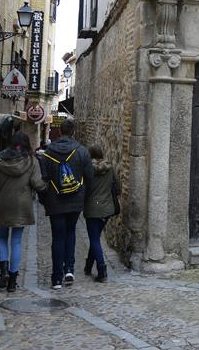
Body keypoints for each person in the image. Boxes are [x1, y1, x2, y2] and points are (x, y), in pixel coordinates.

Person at [0, 130, 45, 293]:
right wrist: (49, 188)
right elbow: (37, 184)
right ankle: (12, 281)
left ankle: (3, 272)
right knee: (16, 241)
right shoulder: (32, 161)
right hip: (22, 206)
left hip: (2, 204)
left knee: (2, 238)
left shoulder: (0, 161)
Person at [37, 118, 93, 289]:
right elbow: (89, 178)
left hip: (55, 201)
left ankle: (56, 278)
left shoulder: (47, 154)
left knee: (57, 237)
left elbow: (44, 180)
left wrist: (44, 200)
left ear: (59, 131)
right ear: (73, 132)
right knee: (71, 233)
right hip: (75, 200)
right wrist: (84, 197)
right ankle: (69, 269)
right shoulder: (82, 152)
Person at [83, 144, 120, 282]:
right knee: (96, 238)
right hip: (107, 209)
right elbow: (118, 187)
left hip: (93, 208)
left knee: (94, 239)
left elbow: (84, 189)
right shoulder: (110, 168)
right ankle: (88, 266)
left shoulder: (87, 169)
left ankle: (102, 269)